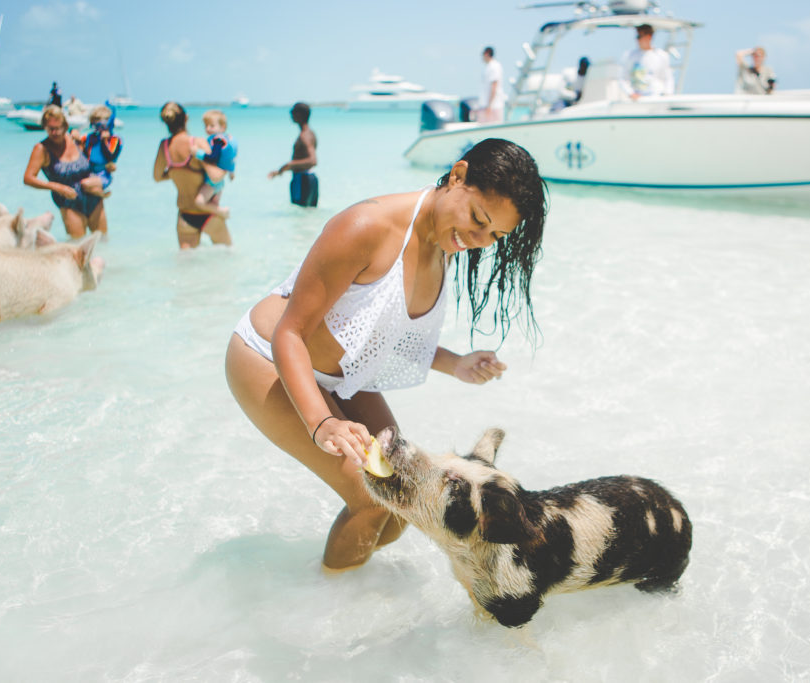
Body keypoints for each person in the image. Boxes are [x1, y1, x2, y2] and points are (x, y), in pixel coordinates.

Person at [225, 138, 548, 571]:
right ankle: (328, 608)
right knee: (371, 499)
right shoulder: (367, 226)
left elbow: (380, 327)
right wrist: (323, 422)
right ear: (457, 176)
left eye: (494, 235)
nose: (478, 240)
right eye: (478, 219)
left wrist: (455, 363)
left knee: (403, 498)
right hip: (267, 358)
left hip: (342, 378)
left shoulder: (444, 243)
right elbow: (291, 332)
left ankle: (331, 579)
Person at [152, 101, 232, 249]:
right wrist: (228, 167)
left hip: (185, 217)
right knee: (226, 259)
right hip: (208, 214)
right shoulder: (196, 143)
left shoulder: (164, 147)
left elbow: (157, 177)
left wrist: (176, 171)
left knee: (186, 266)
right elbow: (216, 176)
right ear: (186, 118)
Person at [22, 105, 108, 238]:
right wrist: (56, 187)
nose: (54, 133)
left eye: (58, 128)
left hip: (93, 197)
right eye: (50, 129)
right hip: (68, 202)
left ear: (65, 126)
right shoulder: (41, 149)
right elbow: (28, 178)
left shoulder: (75, 140)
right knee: (77, 246)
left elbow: (96, 158)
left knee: (103, 241)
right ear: (44, 127)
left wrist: (108, 169)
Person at [268, 102, 318, 208]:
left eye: (292, 112)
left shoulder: (305, 136)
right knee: (306, 217)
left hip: (302, 180)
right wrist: (279, 171)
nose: (291, 114)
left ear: (299, 114)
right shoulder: (310, 133)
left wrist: (289, 165)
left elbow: (312, 160)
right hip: (310, 179)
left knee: (301, 218)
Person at [192, 109, 238, 219]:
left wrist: (197, 153)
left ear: (222, 127)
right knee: (213, 207)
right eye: (206, 126)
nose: (208, 129)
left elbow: (213, 158)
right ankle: (219, 217)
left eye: (212, 126)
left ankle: (224, 212)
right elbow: (231, 158)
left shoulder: (218, 140)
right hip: (220, 184)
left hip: (212, 183)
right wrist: (232, 173)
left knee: (199, 203)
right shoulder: (227, 139)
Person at [76, 101, 122, 197]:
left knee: (84, 184)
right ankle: (96, 192)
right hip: (89, 172)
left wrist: (104, 141)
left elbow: (110, 157)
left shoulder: (114, 140)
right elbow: (82, 154)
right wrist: (77, 140)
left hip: (103, 175)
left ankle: (101, 195)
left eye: (102, 126)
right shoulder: (90, 137)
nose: (99, 130)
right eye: (96, 126)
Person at [621, 23, 674, 99]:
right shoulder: (630, 56)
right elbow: (623, 78)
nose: (637, 40)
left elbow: (668, 78)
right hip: (638, 100)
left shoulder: (662, 55)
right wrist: (631, 93)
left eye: (639, 36)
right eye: (637, 37)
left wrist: (668, 94)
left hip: (658, 98)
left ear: (649, 37)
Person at [478, 46, 506, 123]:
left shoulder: (494, 66)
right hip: (486, 105)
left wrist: (489, 106)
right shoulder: (488, 67)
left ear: (486, 54)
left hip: (493, 106)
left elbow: (494, 86)